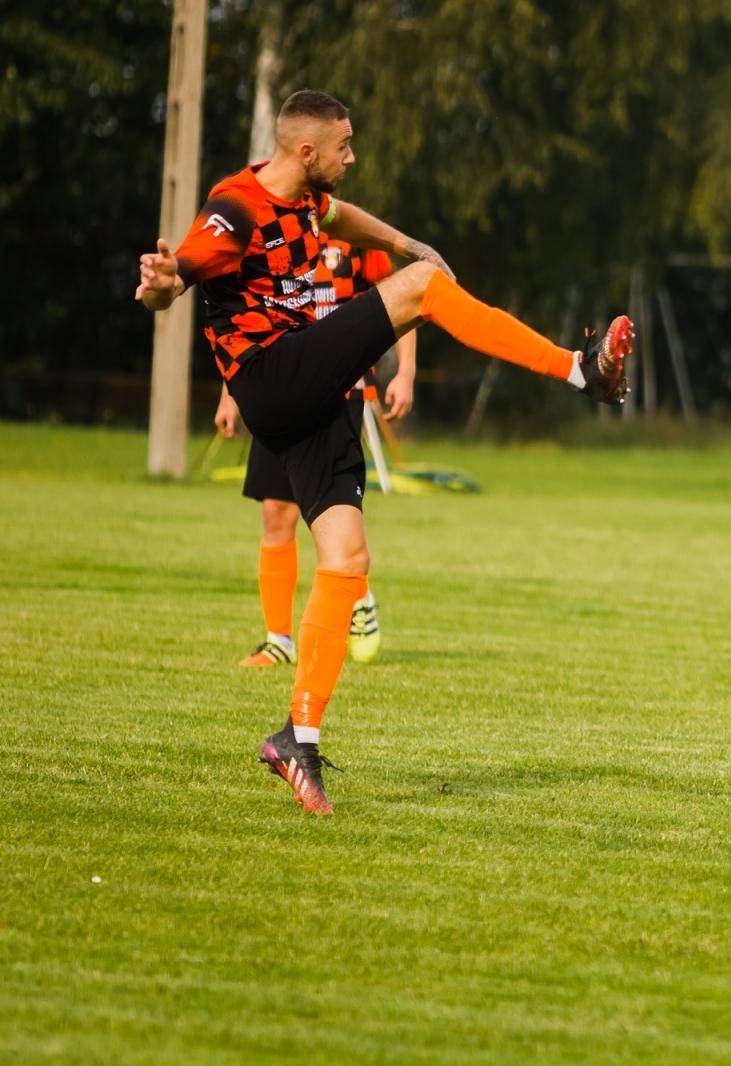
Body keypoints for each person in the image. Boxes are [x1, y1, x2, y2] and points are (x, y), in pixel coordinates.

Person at [136, 89, 632, 814]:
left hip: (317, 397)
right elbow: (182, 269)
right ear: (308, 152)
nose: (353, 155)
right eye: (344, 146)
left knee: (347, 559)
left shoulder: (309, 197)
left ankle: (296, 738)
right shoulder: (236, 206)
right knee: (425, 291)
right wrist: (161, 283)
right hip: (274, 380)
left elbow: (343, 217)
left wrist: (403, 244)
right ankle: (581, 371)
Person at [214, 238, 418, 669]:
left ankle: (357, 595)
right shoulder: (275, 242)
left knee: (326, 517)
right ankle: (279, 640)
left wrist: (406, 371)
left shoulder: (354, 239)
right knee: (276, 512)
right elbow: (247, 324)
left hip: (339, 393)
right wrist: (230, 393)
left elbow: (406, 295)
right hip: (280, 389)